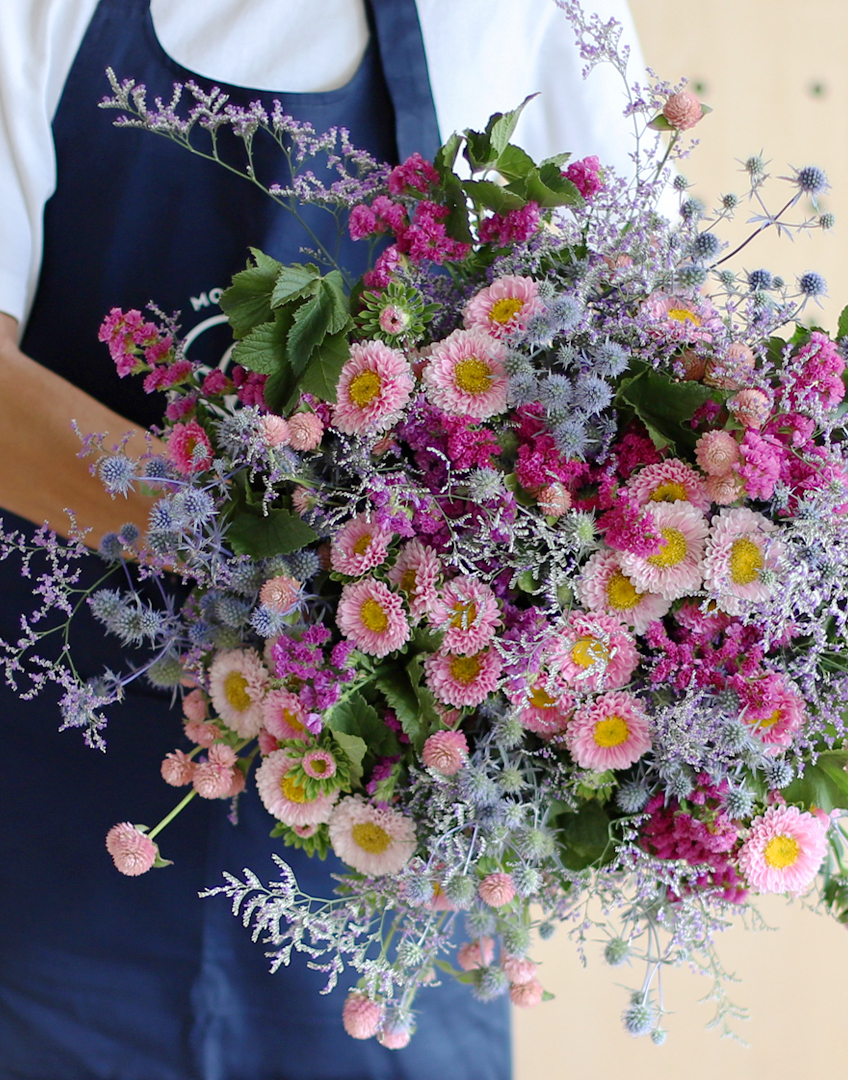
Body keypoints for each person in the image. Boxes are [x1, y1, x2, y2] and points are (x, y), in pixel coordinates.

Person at [0, 1, 651, 1077]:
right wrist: (277, 545)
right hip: (55, 848)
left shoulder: (532, 13)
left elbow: (635, 372)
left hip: (381, 882)